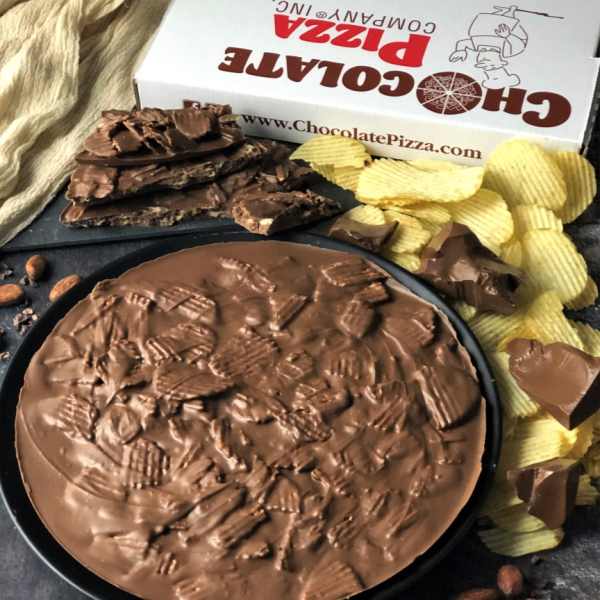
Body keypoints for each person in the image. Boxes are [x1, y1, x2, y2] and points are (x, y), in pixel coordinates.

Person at [449, 5, 528, 89]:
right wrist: (508, 35)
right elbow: (520, 43)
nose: (485, 63)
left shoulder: (477, 45)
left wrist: (460, 51)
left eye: (484, 67)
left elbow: (462, 43)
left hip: (486, 27)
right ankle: (510, 11)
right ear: (500, 62)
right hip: (511, 30)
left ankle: (506, 12)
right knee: (507, 22)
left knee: (491, 21)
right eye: (492, 66)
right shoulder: (507, 51)